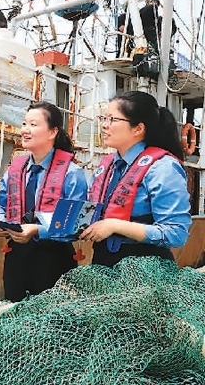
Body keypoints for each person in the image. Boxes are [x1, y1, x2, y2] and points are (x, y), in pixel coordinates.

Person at [80, 91, 192, 266]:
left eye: (113, 119)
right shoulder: (107, 166)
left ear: (138, 128)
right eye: (104, 118)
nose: (104, 125)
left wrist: (114, 225)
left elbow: (176, 234)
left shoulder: (162, 168)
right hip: (103, 263)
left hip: (147, 269)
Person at [0, 101, 88, 302]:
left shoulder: (72, 174)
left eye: (33, 125)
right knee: (14, 311)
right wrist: (2, 224)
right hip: (16, 257)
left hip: (54, 258)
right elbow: (2, 207)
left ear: (53, 132)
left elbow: (76, 224)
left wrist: (37, 230)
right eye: (24, 124)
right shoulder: (14, 170)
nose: (25, 130)